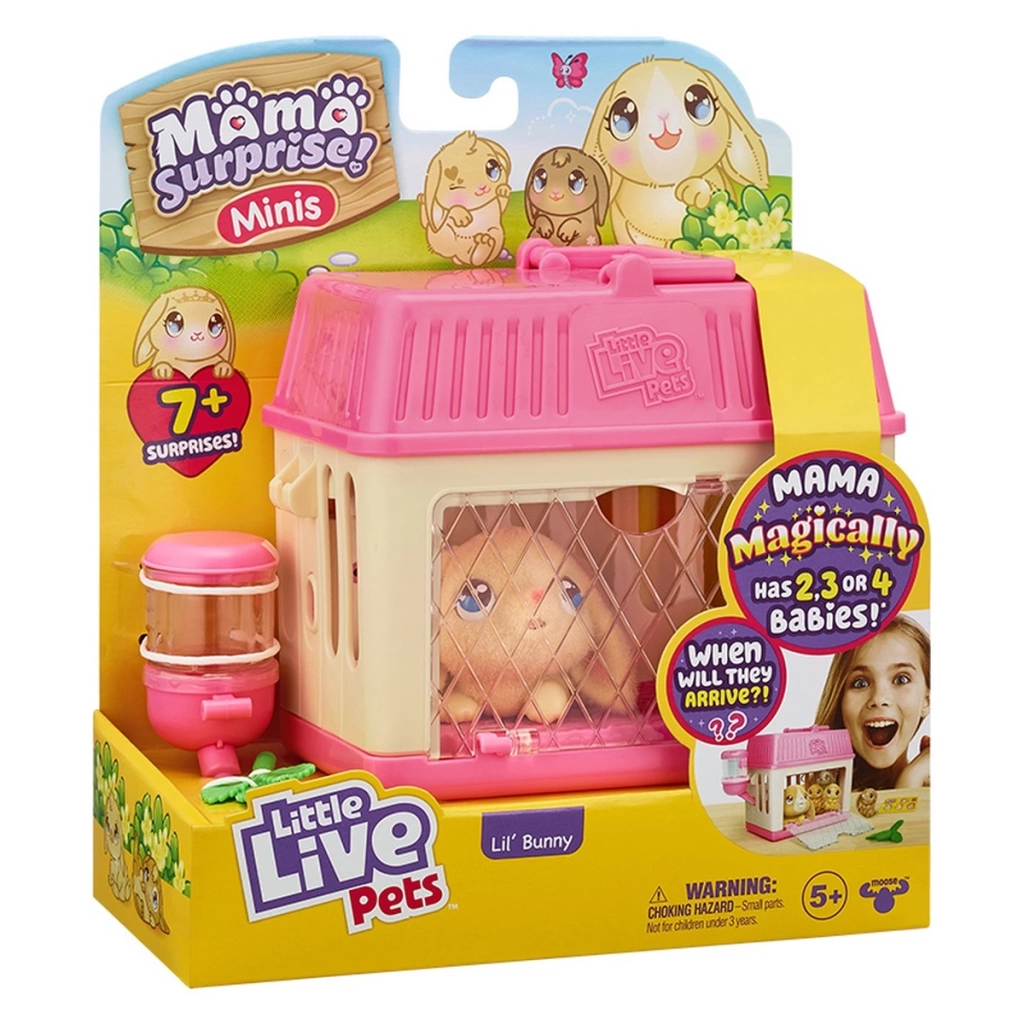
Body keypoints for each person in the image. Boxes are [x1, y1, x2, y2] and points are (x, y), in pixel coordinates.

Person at [815, 615, 930, 790]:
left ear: (927, 700)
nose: (879, 698)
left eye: (901, 679)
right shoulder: (812, 798)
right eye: (860, 683)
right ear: (840, 700)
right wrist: (908, 783)